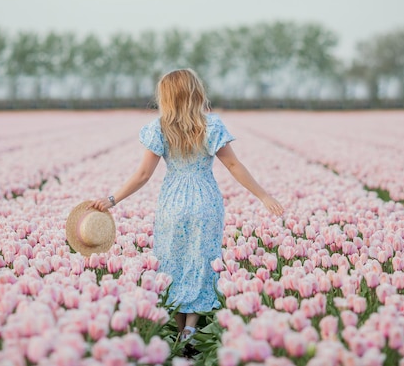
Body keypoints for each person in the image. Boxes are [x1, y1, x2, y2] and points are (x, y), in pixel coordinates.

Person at [92, 68, 284, 344]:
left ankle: (177, 330)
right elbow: (233, 165)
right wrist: (263, 195)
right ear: (196, 92)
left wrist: (112, 200)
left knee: (172, 261)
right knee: (201, 260)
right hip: (205, 201)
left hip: (173, 201)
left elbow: (142, 175)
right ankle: (191, 330)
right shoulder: (210, 126)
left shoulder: (159, 129)